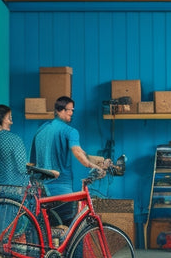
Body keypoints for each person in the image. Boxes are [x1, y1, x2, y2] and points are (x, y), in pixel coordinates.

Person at [31, 95, 111, 225]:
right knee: (74, 233)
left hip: (41, 194)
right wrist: (95, 168)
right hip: (62, 193)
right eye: (70, 110)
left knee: (49, 233)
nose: (71, 113)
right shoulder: (70, 131)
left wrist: (99, 161)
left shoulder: (40, 130)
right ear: (60, 110)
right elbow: (78, 153)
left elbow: (32, 163)